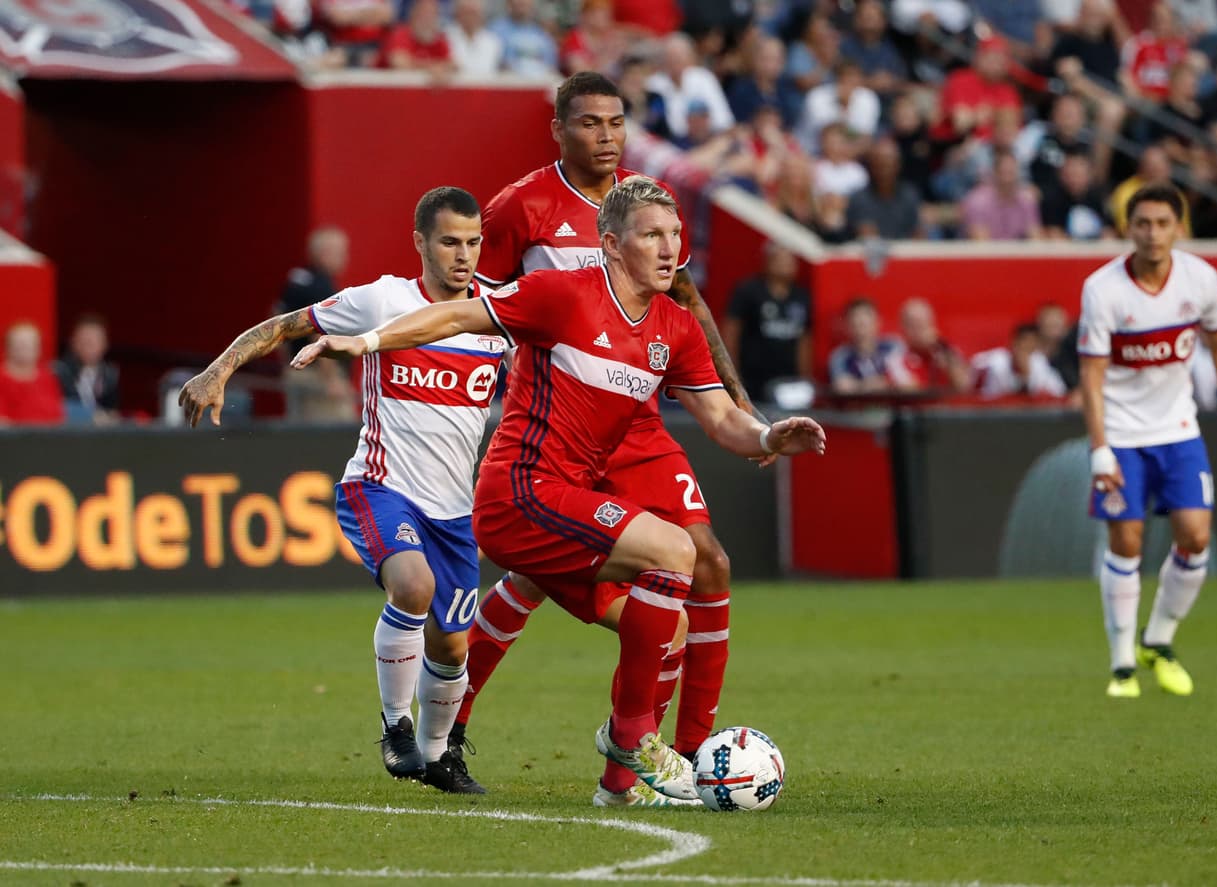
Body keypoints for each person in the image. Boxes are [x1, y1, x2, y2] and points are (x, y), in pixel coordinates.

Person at [292, 175, 827, 806]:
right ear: (609, 243)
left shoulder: (675, 328)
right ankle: (630, 736)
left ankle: (619, 787)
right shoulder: (564, 294)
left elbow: (721, 420)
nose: (668, 248)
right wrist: (370, 339)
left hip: (564, 508)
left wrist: (768, 439)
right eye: (651, 234)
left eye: (675, 234)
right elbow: (461, 311)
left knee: (670, 628)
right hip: (519, 493)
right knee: (675, 551)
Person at [464, 72, 763, 807]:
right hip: (560, 415)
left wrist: (743, 408)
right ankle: (448, 725)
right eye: (591, 122)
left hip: (638, 420)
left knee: (707, 564)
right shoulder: (521, 207)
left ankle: (687, 750)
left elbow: (685, 305)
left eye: (616, 122)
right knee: (544, 573)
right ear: (560, 129)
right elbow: (476, 303)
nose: (606, 135)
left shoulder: (644, 209)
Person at [177, 188, 504, 793]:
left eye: (473, 242)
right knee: (413, 584)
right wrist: (219, 368)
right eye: (449, 242)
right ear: (421, 243)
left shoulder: (498, 315)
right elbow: (285, 326)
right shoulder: (383, 300)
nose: (464, 255)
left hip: (457, 510)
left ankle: (437, 758)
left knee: (453, 647)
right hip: (381, 486)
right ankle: (395, 727)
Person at [1078, 183, 1217, 699]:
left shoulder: (1202, 279)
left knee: (1195, 536)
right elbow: (1091, 376)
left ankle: (1159, 639)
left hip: (1179, 430)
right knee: (1126, 541)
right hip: (1123, 434)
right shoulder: (1103, 289)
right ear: (1127, 229)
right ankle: (1122, 663)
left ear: (1179, 228)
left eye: (1162, 224)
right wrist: (1100, 447)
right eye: (1142, 224)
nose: (1152, 234)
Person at [277, 227, 359, 423]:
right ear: (325, 254)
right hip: (320, 379)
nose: (346, 258)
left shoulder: (296, 281)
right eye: (341, 253)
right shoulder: (321, 288)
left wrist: (288, 362)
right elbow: (320, 335)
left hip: (295, 373)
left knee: (300, 437)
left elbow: (275, 320)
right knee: (334, 438)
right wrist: (332, 380)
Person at [722, 241, 812, 403]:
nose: (788, 264)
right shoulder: (748, 291)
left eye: (791, 260)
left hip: (788, 384)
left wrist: (804, 377)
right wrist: (731, 375)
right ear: (768, 261)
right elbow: (731, 332)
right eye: (782, 259)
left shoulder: (801, 297)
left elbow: (804, 341)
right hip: (752, 380)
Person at [827, 298, 908, 395]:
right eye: (855, 324)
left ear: (878, 322)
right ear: (847, 327)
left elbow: (906, 381)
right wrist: (867, 385)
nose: (861, 331)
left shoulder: (893, 346)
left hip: (893, 407)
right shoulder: (840, 356)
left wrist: (885, 382)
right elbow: (842, 387)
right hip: (857, 408)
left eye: (864, 324)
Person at [54, 313, 121, 425]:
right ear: (73, 342)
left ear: (105, 344)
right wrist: (90, 416)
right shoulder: (59, 372)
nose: (89, 344)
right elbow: (57, 408)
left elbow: (113, 412)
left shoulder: (110, 375)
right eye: (84, 339)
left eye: (94, 340)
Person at [971, 323, 1068, 398]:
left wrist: (1027, 376)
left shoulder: (1038, 361)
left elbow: (1059, 391)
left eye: (1030, 347)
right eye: (1023, 345)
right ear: (1014, 343)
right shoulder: (998, 361)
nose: (1025, 350)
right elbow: (1000, 396)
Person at [0, 321, 65, 426]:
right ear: (8, 347)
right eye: (20, 344)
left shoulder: (48, 378)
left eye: (31, 344)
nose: (25, 348)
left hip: (50, 438)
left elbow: (59, 416)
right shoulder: (2, 378)